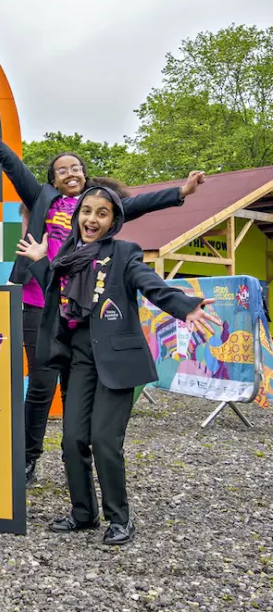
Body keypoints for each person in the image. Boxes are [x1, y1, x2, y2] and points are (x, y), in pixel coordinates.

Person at [0, 115, 206, 485]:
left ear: (85, 175)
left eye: (76, 168)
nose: (70, 173)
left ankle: (77, 460)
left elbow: (144, 203)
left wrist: (181, 192)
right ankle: (27, 458)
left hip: (81, 311)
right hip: (40, 302)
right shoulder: (42, 199)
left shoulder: (99, 207)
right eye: (61, 170)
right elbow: (13, 165)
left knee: (75, 384)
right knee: (41, 383)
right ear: (52, 180)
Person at [16, 185, 220, 545]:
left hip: (117, 359)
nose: (91, 219)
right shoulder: (64, 254)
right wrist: (40, 260)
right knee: (73, 439)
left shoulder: (124, 253)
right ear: (77, 214)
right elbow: (56, 289)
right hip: (79, 358)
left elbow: (149, 283)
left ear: (113, 220)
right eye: (86, 211)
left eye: (102, 213)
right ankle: (83, 513)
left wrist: (184, 306)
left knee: (104, 440)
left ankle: (119, 518)